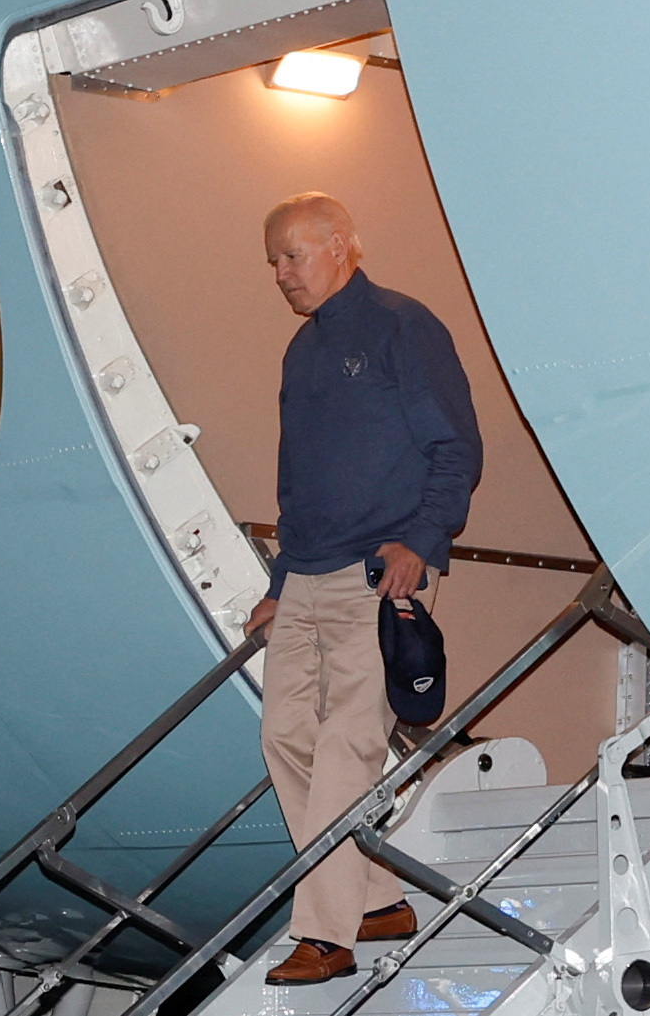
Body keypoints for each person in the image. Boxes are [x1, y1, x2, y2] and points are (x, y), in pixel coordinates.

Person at [243, 193, 483, 985]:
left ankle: (326, 932)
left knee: (349, 743)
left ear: (342, 244)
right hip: (307, 574)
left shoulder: (401, 326)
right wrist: (279, 582)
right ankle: (378, 896)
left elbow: (456, 446)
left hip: (379, 576)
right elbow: (296, 484)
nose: (280, 273)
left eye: (292, 255)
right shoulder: (298, 353)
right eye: (273, 259)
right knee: (283, 735)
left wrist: (421, 541)